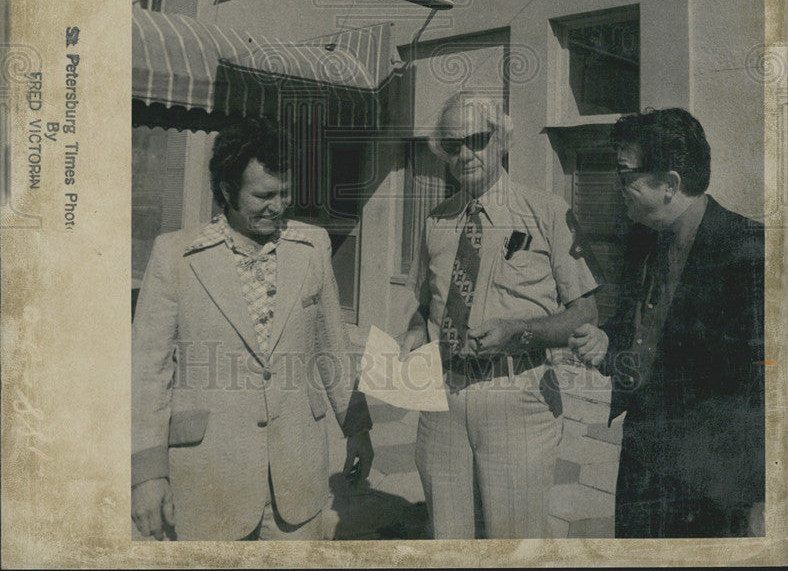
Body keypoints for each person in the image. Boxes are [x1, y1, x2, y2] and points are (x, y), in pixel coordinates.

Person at [131, 118, 373, 541]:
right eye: (263, 196)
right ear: (227, 191)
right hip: (207, 481)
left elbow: (333, 349)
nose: (278, 207)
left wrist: (358, 429)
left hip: (298, 480)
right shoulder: (176, 255)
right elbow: (147, 373)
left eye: (285, 193)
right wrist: (148, 475)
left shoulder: (312, 246)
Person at [400, 92, 598, 539]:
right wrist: (415, 331)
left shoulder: (547, 212)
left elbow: (586, 311)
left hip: (518, 394)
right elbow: (423, 302)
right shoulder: (436, 220)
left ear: (502, 140)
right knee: (448, 540)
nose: (464, 154)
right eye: (452, 145)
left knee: (513, 540)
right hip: (444, 398)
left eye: (477, 139)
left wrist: (521, 331)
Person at [570, 107, 765, 537]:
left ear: (670, 184)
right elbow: (632, 331)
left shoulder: (749, 250)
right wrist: (607, 346)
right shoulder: (641, 237)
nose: (617, 188)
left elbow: (767, 385)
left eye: (625, 176)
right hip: (642, 457)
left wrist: (760, 495)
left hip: (712, 477)